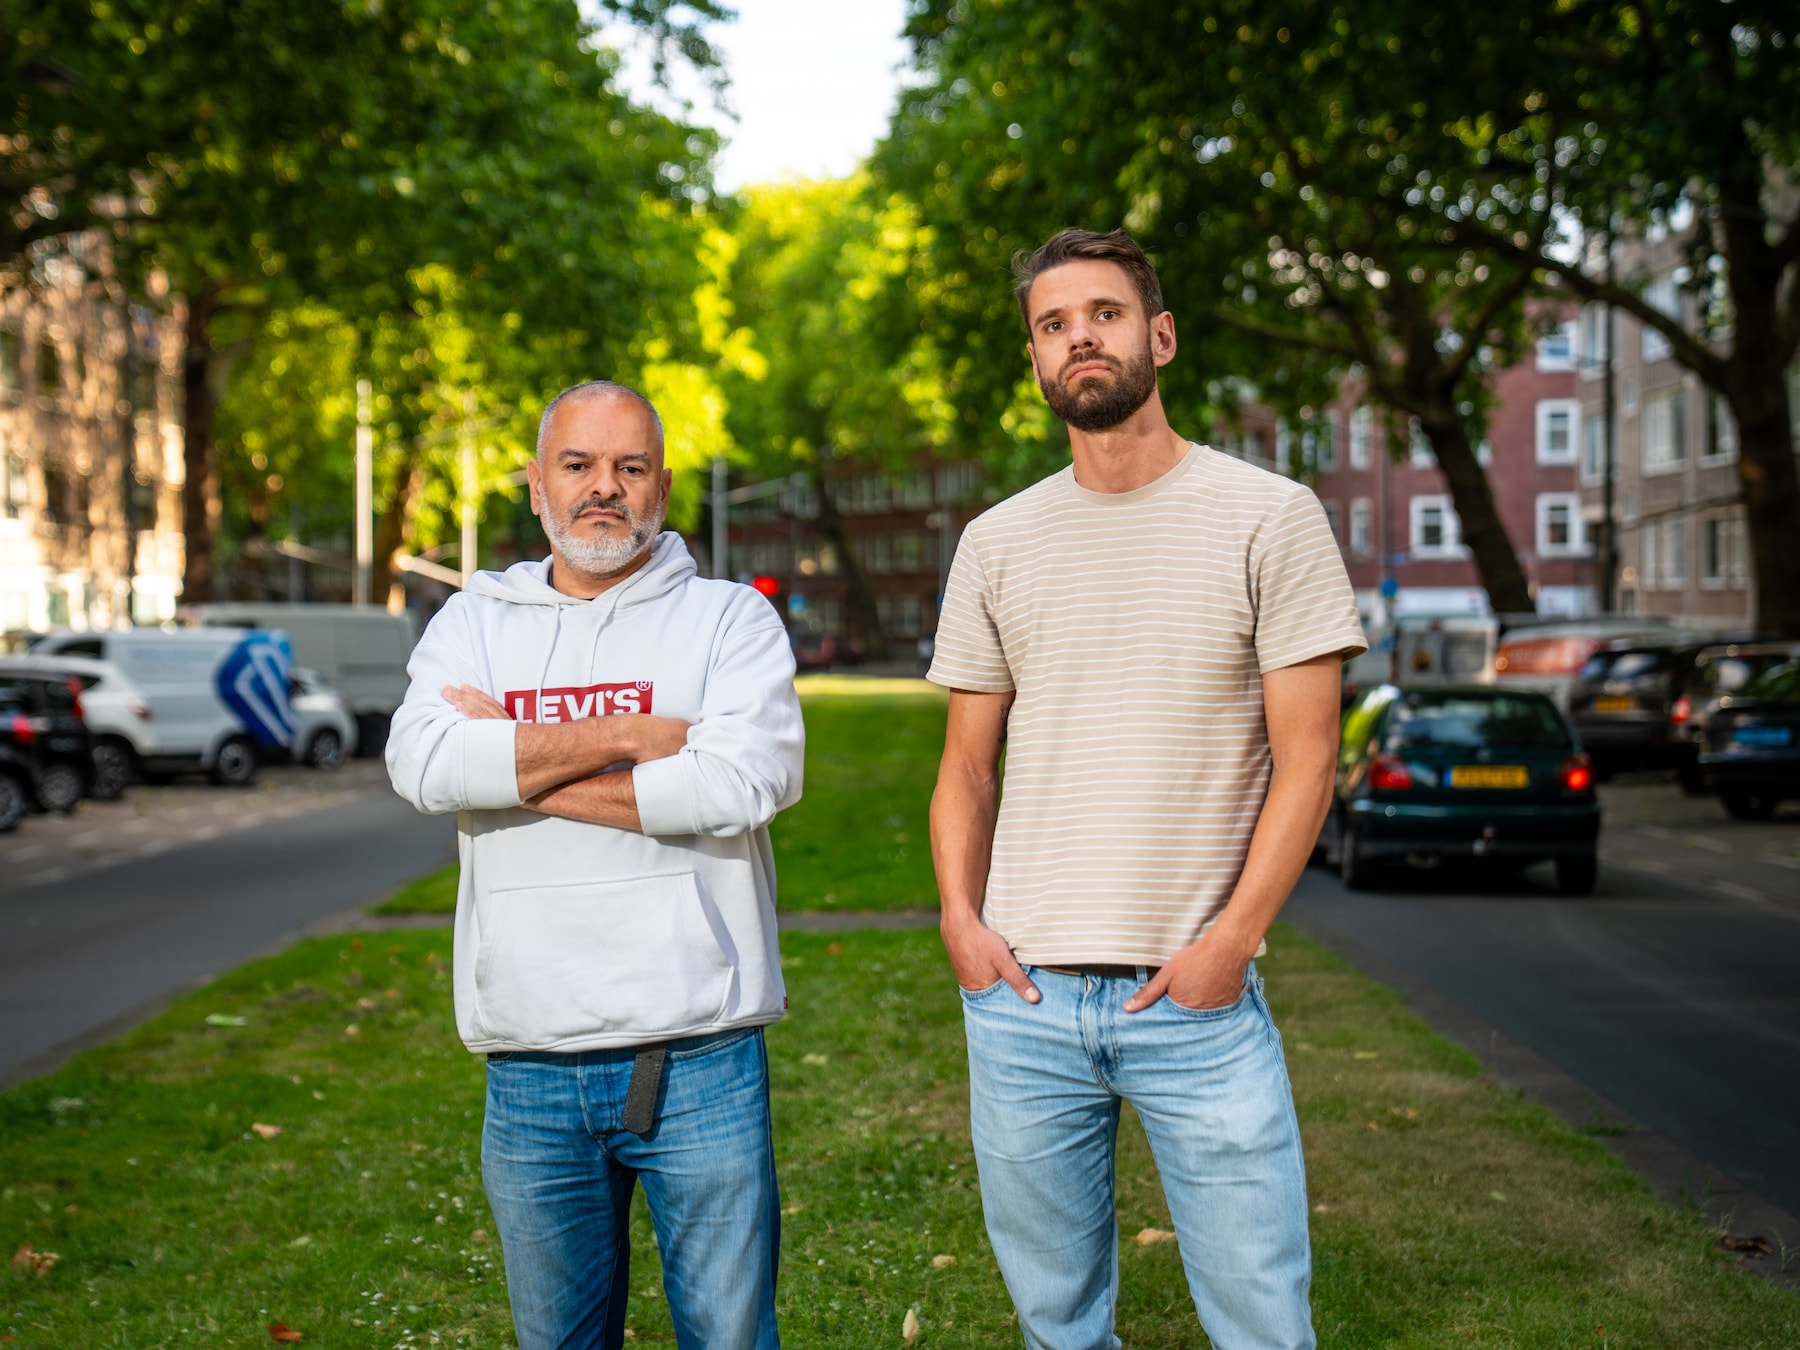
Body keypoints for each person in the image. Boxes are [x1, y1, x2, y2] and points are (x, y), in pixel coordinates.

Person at [928, 229, 1366, 1350]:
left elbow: (1309, 761)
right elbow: (967, 767)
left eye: (1106, 313)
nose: (1081, 336)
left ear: (1158, 336)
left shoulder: (1271, 516)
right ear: (1035, 360)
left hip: (1196, 1002)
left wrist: (1231, 944)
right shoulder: (995, 541)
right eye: (1053, 323)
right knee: (1057, 1327)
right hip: (1022, 1004)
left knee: (1263, 1325)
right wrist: (962, 925)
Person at [386, 380, 803, 1350]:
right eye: (577, 465)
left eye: (629, 467)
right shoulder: (475, 624)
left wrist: (517, 762)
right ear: (537, 487)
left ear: (663, 487)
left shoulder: (729, 619)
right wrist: (634, 735)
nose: (601, 488)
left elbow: (742, 782)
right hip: (531, 1068)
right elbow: (424, 765)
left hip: (700, 1054)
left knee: (731, 1339)